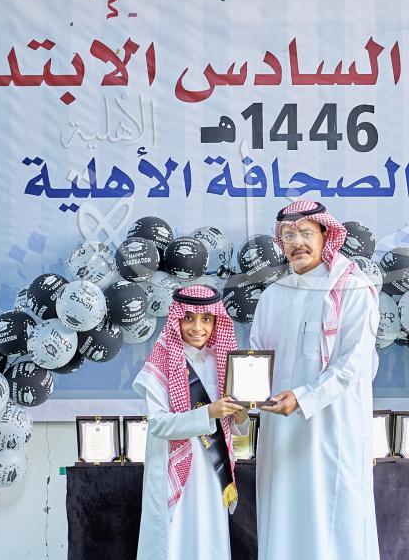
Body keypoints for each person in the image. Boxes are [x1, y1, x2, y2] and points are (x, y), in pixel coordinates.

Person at [250, 199, 381, 560]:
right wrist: (246, 400)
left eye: (306, 233)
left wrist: (303, 398)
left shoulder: (353, 290)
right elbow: (256, 359)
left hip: (332, 432)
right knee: (284, 522)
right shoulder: (272, 296)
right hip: (279, 432)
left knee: (335, 529)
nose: (297, 242)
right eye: (289, 235)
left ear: (326, 235)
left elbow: (353, 364)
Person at [134, 284, 249, 560]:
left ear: (215, 321)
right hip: (173, 470)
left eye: (206, 319)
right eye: (189, 318)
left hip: (212, 473)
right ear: (177, 319)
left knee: (209, 541)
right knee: (175, 543)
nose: (198, 327)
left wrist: (241, 417)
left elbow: (234, 428)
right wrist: (208, 413)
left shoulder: (224, 362)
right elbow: (159, 425)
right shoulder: (161, 363)